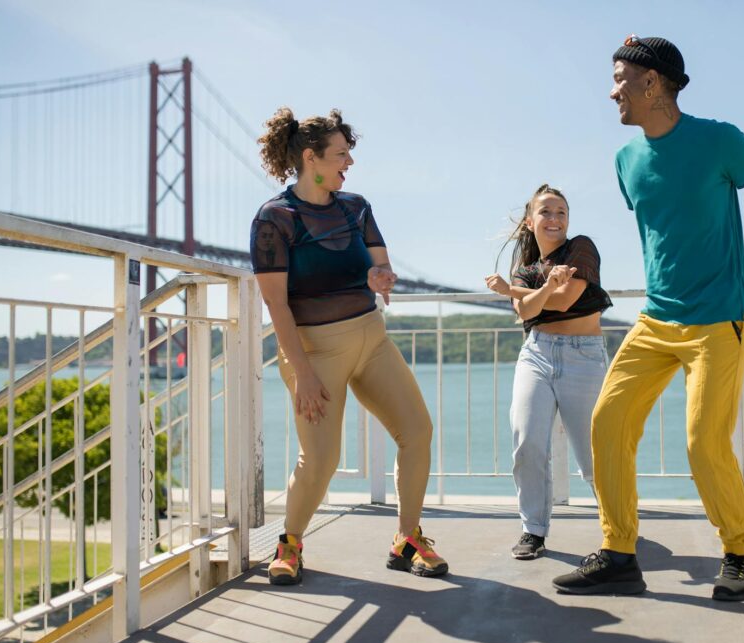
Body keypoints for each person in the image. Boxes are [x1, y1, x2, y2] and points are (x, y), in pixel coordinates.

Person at [552, 36, 744, 600]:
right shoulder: (625, 161)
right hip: (657, 319)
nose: (612, 92)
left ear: (652, 82)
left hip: (719, 319)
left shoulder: (719, 139)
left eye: (620, 79)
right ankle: (618, 554)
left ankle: (739, 553)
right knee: (609, 422)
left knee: (704, 442)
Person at [250, 107, 448, 585]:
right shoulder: (275, 218)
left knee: (417, 431)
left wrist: (381, 277)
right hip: (314, 352)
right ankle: (289, 543)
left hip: (371, 339)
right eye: (341, 154)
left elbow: (380, 266)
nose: (350, 163)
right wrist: (302, 373)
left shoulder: (356, 207)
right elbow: (276, 304)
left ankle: (408, 539)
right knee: (321, 460)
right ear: (310, 157)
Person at [485, 184, 612, 560]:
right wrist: (535, 291)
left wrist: (513, 291)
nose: (554, 219)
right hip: (536, 355)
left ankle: (618, 526)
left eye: (561, 212)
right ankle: (533, 531)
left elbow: (565, 300)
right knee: (527, 444)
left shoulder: (581, 248)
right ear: (530, 221)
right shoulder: (525, 270)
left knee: (594, 453)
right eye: (545, 212)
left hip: (584, 356)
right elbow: (527, 313)